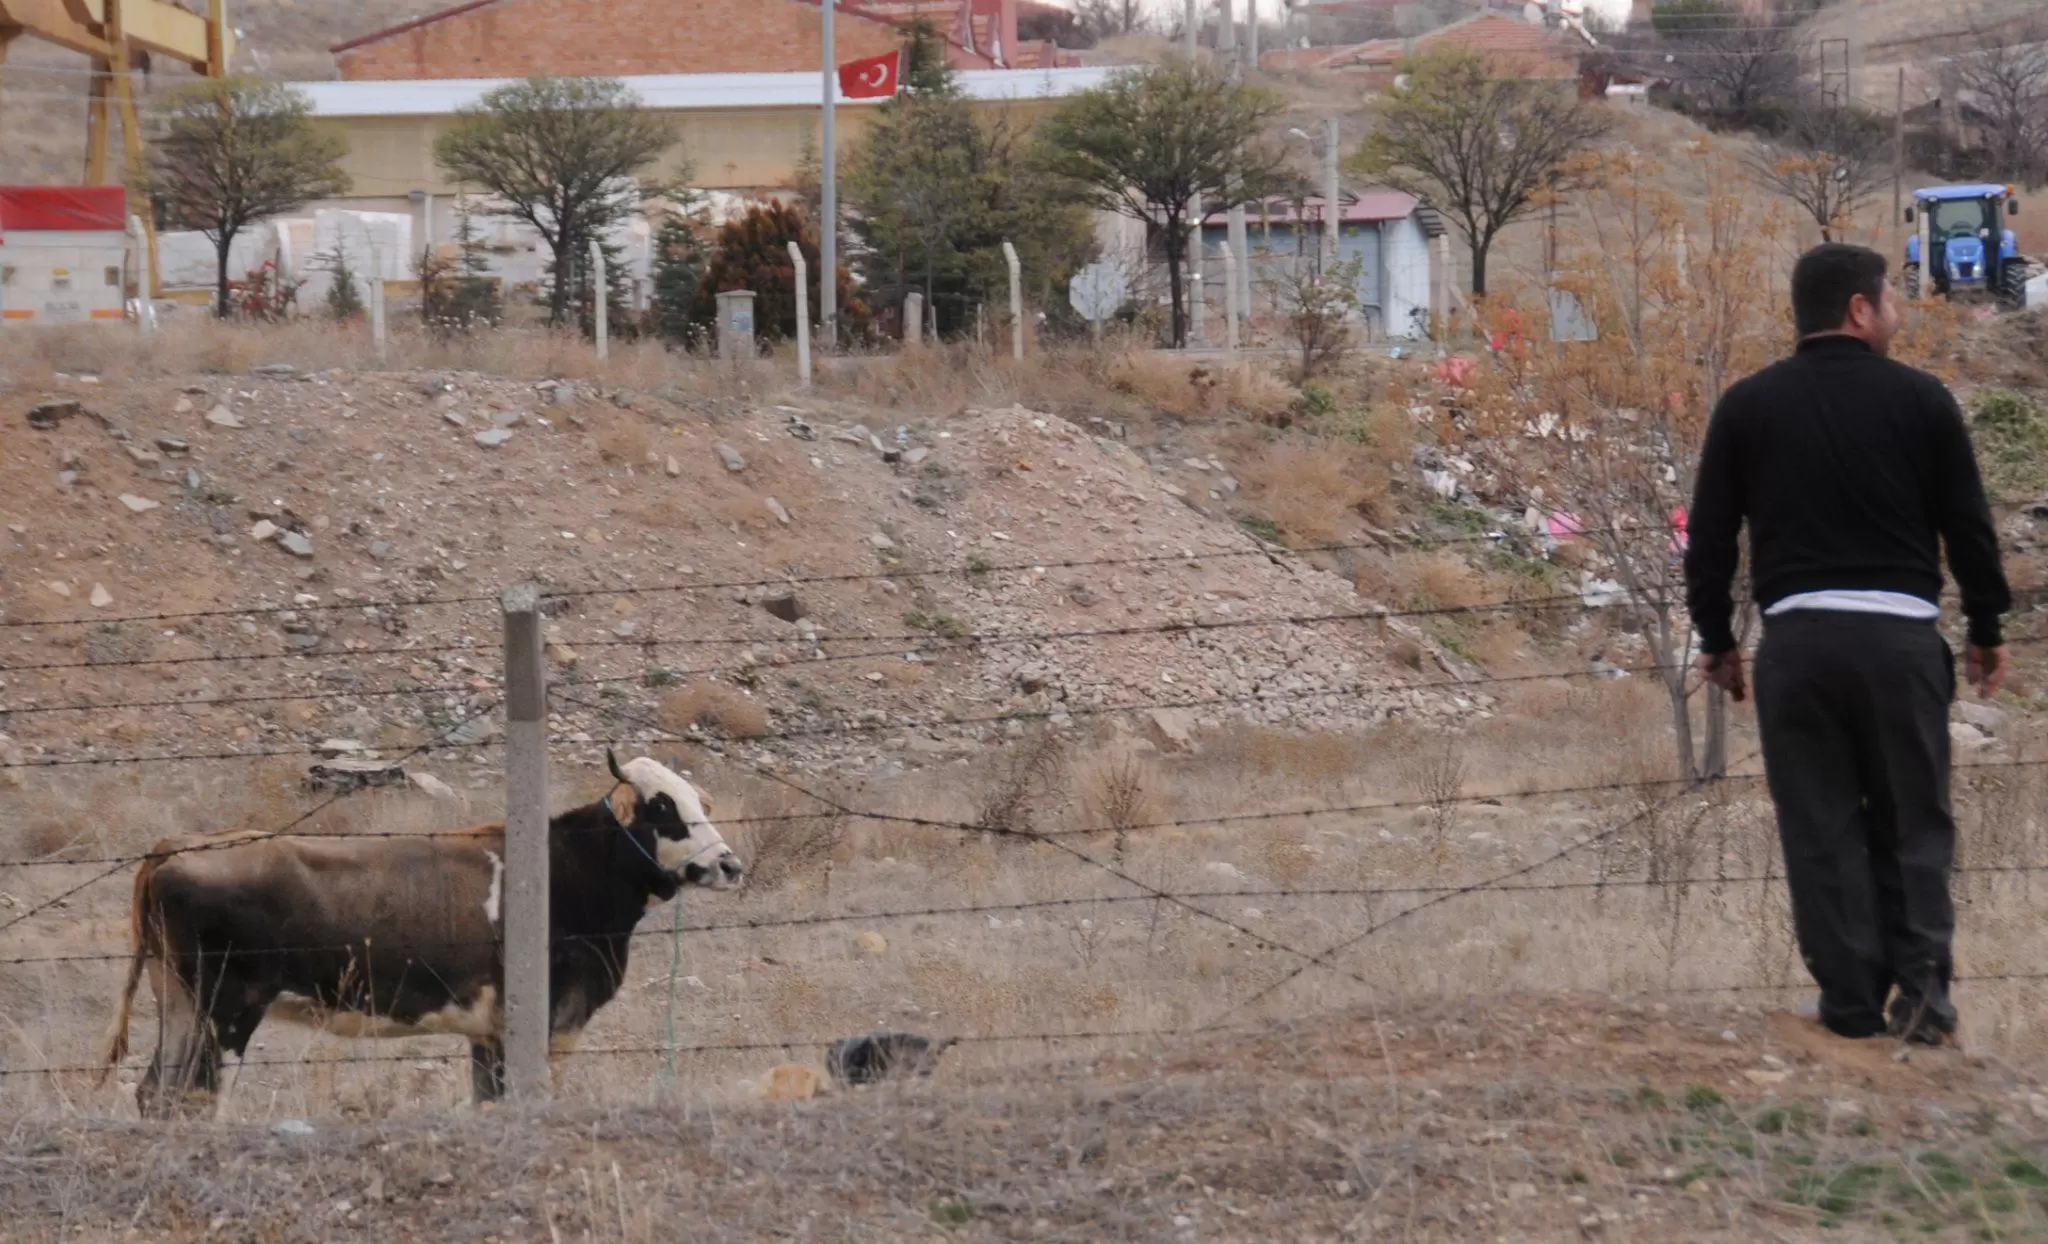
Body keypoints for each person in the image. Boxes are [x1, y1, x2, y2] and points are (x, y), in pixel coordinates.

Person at [1684, 242, 2011, 1046]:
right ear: (1860, 311)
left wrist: (1719, 641)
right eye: (1891, 300)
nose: (1896, 314)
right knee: (1914, 823)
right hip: (1900, 642)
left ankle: (1852, 1009)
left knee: (1819, 826)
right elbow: (1967, 527)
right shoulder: (1923, 400)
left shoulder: (1747, 406)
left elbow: (1710, 539)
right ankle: (1926, 1003)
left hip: (1797, 645)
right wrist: (1987, 626)